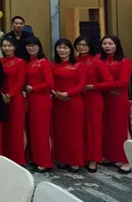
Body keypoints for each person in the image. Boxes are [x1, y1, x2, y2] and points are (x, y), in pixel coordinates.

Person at [74, 35, 113, 173]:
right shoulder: (74, 60)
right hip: (77, 98)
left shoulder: (96, 62)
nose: (82, 47)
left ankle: (93, 159)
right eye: (79, 44)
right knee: (79, 129)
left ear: (90, 46)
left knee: (93, 129)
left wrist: (92, 86)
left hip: (93, 99)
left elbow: (109, 82)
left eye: (85, 45)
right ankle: (81, 157)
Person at [98, 35, 132, 174]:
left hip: (119, 99)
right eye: (104, 43)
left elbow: (123, 82)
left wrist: (107, 86)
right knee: (108, 128)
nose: (107, 46)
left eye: (110, 43)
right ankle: (111, 156)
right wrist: (108, 88)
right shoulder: (99, 60)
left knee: (122, 129)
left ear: (117, 45)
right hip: (105, 98)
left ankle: (128, 160)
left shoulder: (124, 61)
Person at [51, 38, 86, 172]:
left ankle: (75, 161)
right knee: (61, 132)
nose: (62, 50)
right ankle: (63, 158)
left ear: (70, 50)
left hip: (73, 102)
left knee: (74, 133)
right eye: (59, 47)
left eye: (65, 48)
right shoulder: (53, 65)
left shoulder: (78, 65)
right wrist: (55, 93)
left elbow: (82, 85)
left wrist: (68, 93)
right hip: (57, 102)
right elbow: (50, 81)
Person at [23, 36, 54, 172]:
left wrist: (34, 88)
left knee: (42, 130)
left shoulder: (44, 62)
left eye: (34, 45)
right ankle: (36, 158)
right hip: (30, 99)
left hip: (41, 99)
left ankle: (45, 161)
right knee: (34, 130)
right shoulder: (27, 62)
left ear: (39, 47)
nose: (31, 48)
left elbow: (50, 83)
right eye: (29, 45)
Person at [0, 36, 26, 166]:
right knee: (4, 128)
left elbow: (21, 81)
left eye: (9, 46)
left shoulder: (20, 62)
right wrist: (1, 93)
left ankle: (18, 159)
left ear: (14, 47)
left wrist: (10, 94)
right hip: (1, 98)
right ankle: (5, 156)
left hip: (16, 98)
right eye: (4, 46)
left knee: (16, 128)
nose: (7, 48)